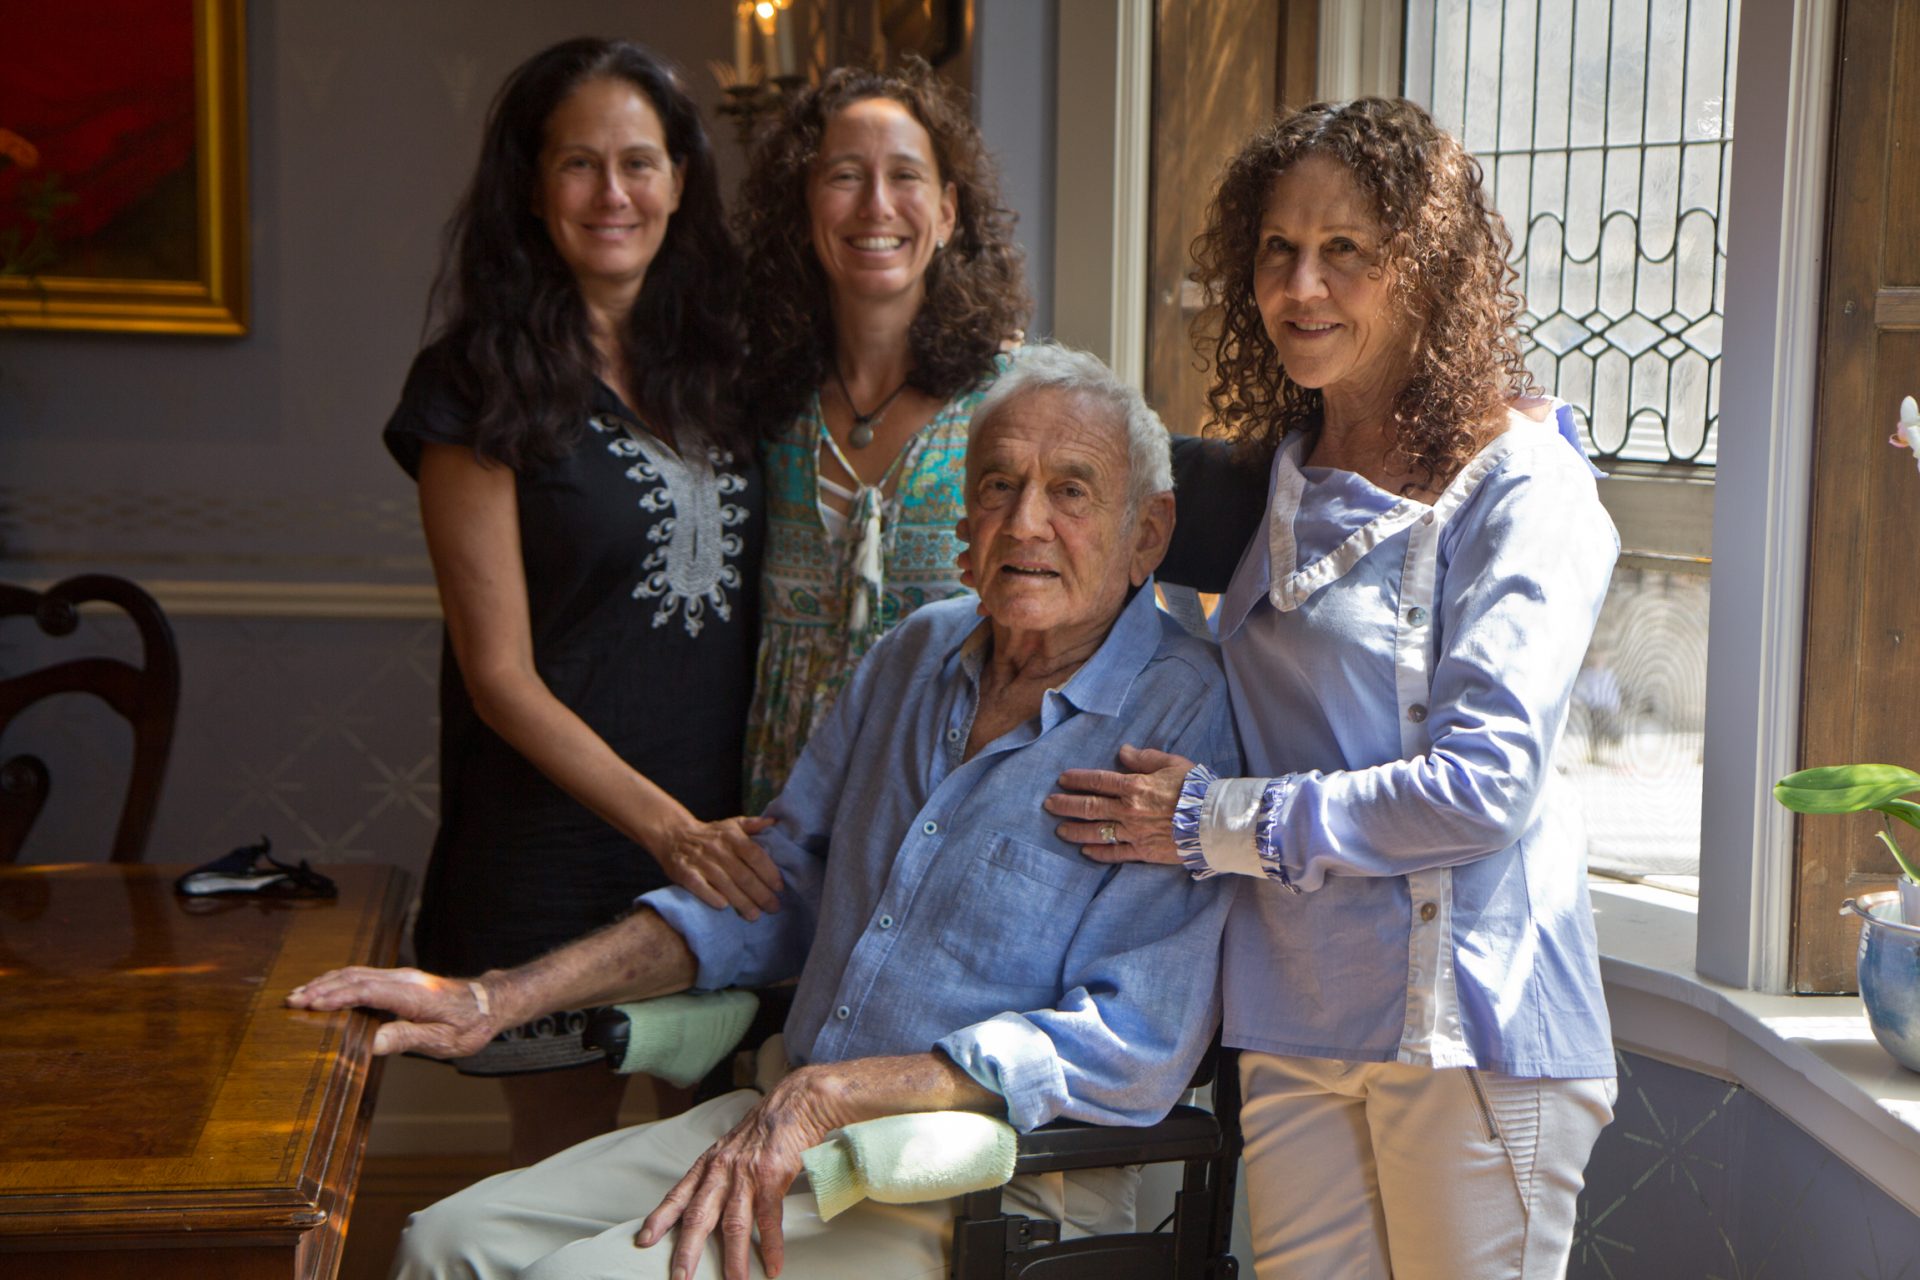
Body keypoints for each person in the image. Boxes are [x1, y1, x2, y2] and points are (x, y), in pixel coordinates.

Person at [289, 347, 1240, 1280]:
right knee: (441, 1243)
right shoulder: (919, 652)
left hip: (975, 1182)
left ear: (1147, 533)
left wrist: (837, 1097)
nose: (1025, 520)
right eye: (997, 484)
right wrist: (495, 1000)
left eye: (1071, 491)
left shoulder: (1184, 715)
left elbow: (1136, 1045)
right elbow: (770, 890)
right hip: (791, 1120)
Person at [1046, 99, 1620, 1279]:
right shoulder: (1274, 482)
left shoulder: (1524, 485)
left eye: (1344, 250)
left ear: (1426, 267)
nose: (1301, 284)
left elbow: (1483, 786)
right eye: (1277, 250)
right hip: (1294, 1016)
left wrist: (1211, 819)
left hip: (1467, 1022)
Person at [382, 37, 777, 1166]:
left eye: (641, 162)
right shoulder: (471, 385)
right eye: (579, 164)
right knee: (563, 1182)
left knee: (704, 1169)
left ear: (682, 182)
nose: (615, 194)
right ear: (530, 186)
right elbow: (498, 676)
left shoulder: (728, 367)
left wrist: (708, 835)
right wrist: (670, 830)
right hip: (555, 843)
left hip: (724, 837)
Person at [733, 59, 1030, 813]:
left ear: (948, 212)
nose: (875, 205)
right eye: (843, 176)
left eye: (905, 176)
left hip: (943, 806)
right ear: (804, 207)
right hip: (778, 822)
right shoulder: (755, 404)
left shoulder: (1012, 403)